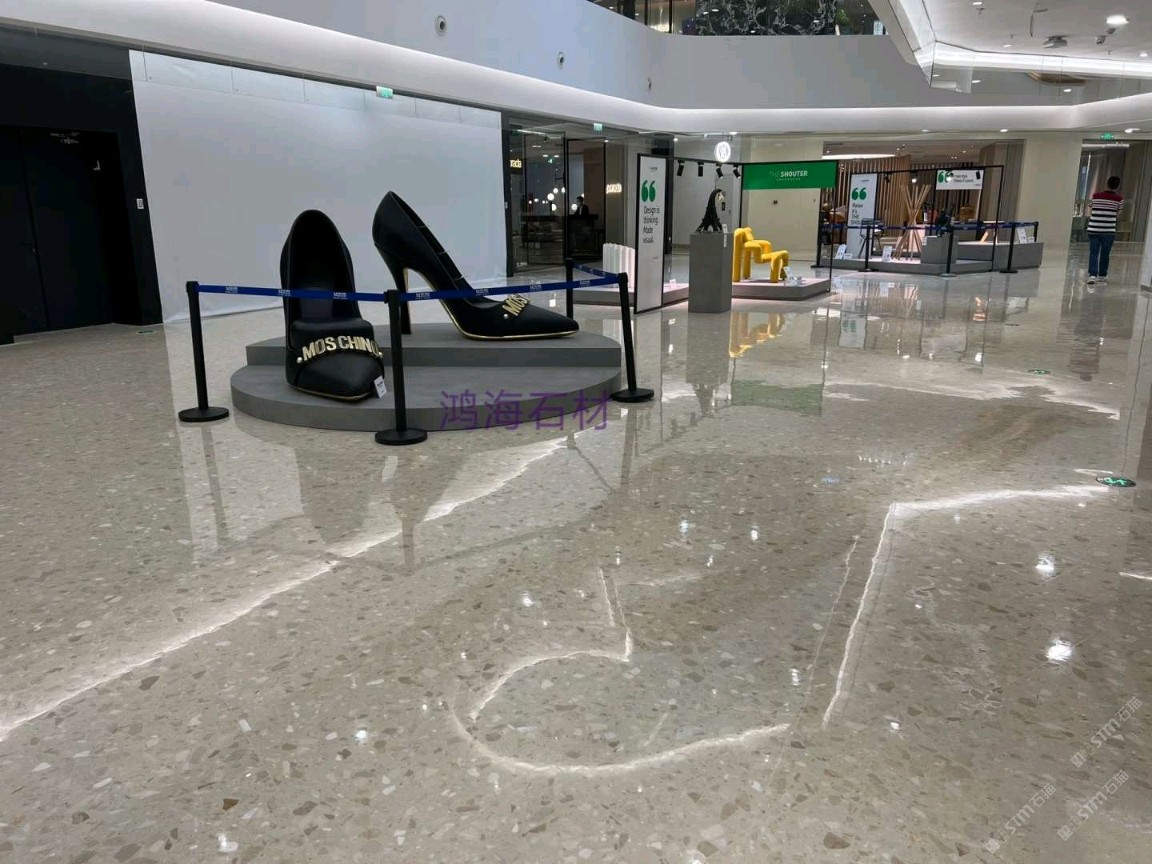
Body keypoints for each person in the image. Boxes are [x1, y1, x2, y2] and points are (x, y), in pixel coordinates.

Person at [1087, 175, 1123, 285]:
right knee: (1105, 253)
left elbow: (1091, 209)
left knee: (1094, 253)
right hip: (1108, 230)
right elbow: (1118, 214)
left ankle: (1092, 275)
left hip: (1094, 229)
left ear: (1107, 184)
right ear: (1117, 186)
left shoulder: (1096, 196)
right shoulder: (1119, 199)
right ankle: (1102, 275)